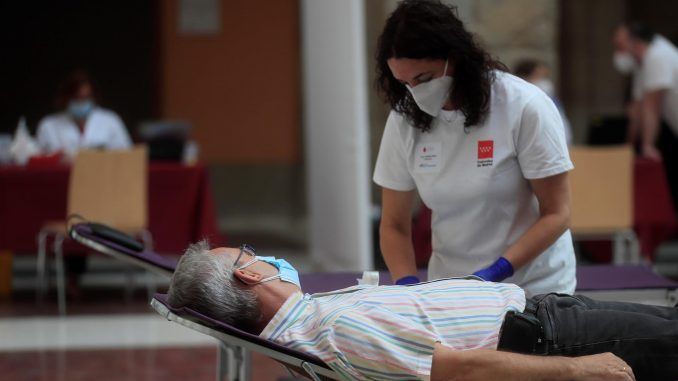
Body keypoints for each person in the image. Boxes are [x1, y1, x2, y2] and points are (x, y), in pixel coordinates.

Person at [168, 241, 678, 381]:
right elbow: (458, 369)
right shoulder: (335, 329)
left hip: (545, 316)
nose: (258, 255)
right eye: (246, 254)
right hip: (554, 338)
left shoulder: (309, 317)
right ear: (250, 276)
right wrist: (577, 371)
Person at [372, 0, 575, 296]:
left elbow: (558, 213)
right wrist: (408, 288)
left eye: (424, 78)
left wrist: (497, 271)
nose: (416, 92)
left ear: (455, 57)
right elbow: (394, 225)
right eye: (404, 83)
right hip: (453, 289)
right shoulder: (405, 119)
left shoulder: (524, 106)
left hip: (532, 287)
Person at [612, 22, 678, 213]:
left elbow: (652, 107)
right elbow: (637, 110)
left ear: (636, 42)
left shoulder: (658, 56)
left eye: (620, 46)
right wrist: (629, 146)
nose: (618, 53)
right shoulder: (644, 63)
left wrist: (647, 145)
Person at [37, 70, 132, 160]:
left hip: (104, 175)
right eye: (77, 98)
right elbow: (40, 160)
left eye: (86, 97)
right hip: (63, 176)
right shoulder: (48, 125)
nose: (81, 102)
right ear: (66, 99)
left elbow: (128, 156)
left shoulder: (111, 121)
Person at [513, 59, 573, 144]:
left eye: (545, 76)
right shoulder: (520, 97)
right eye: (538, 76)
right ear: (525, 76)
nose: (543, 81)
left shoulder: (551, 97)